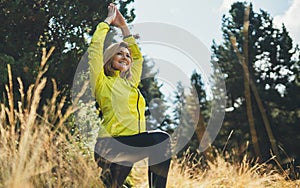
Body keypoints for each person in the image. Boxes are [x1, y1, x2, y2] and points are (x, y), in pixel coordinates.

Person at [88, 4, 171, 188]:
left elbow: (138, 58)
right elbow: (95, 48)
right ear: (110, 58)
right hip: (110, 144)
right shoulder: (102, 82)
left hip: (129, 144)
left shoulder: (130, 84)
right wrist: (108, 21)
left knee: (113, 186)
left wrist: (124, 26)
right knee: (161, 139)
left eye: (127, 55)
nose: (126, 57)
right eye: (120, 53)